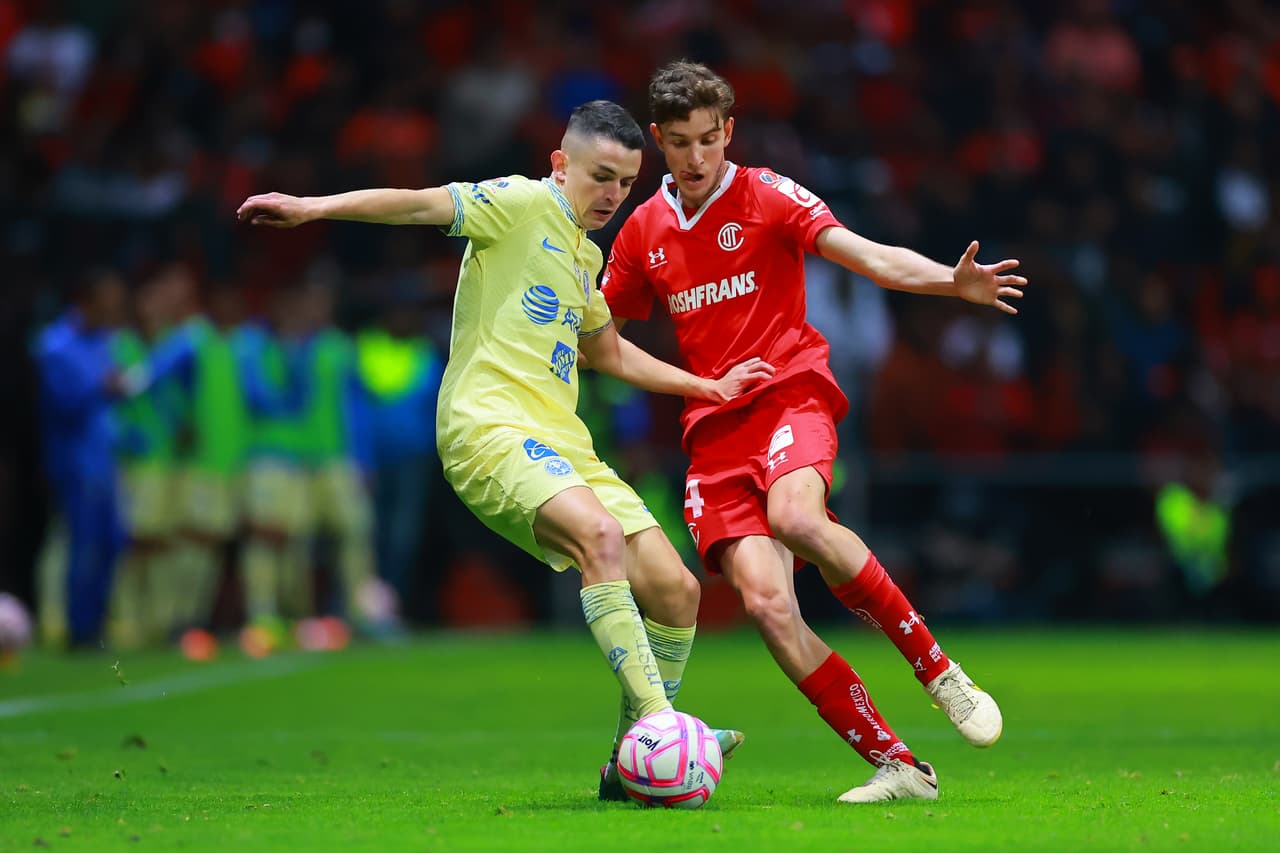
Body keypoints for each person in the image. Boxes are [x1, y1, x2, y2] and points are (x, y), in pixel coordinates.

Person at [237, 100, 774, 793]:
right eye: (600, 177)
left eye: (625, 183)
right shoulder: (518, 203)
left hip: (562, 442)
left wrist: (708, 386)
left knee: (677, 591)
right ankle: (664, 726)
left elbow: (607, 349)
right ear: (560, 164)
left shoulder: (584, 254)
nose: (612, 195)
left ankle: (626, 765)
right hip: (488, 427)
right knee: (599, 536)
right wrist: (313, 208)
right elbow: (416, 204)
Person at [601, 61, 1026, 803]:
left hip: (787, 392)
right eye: (679, 143)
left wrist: (948, 282)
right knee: (767, 606)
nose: (697, 158)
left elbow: (864, 254)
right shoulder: (642, 232)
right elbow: (603, 338)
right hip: (712, 429)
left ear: (728, 131)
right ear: (659, 144)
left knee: (796, 516)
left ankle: (939, 671)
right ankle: (901, 766)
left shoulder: (766, 194)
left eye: (708, 139)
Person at [32, 268, 130, 648]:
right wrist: (101, 387)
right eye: (109, 302)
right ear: (86, 300)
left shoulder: (106, 340)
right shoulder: (55, 345)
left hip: (105, 458)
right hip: (74, 461)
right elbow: (60, 404)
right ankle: (77, 627)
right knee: (82, 545)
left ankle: (98, 622)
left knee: (110, 542)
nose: (115, 309)